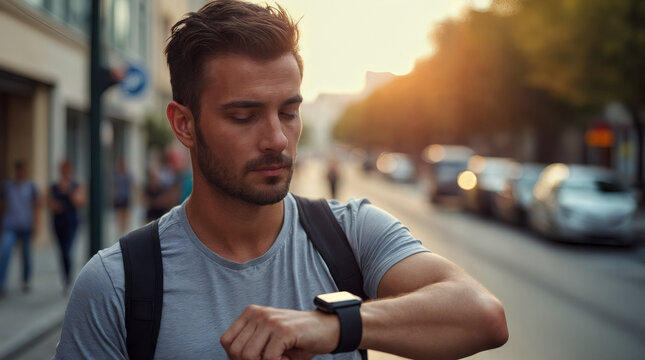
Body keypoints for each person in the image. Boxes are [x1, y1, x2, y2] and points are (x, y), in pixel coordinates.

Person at [55, 1, 508, 359]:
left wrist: (332, 327)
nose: (277, 138)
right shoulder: (118, 285)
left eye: (288, 112)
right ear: (184, 125)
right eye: (243, 115)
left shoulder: (348, 232)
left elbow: (484, 316)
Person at [0, 160, 39, 297]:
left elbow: (35, 206)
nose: (20, 173)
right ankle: (1, 284)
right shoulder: (8, 186)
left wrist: (36, 225)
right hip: (10, 225)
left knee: (26, 254)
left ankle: (25, 279)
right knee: (5, 251)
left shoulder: (31, 187)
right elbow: (3, 205)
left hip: (26, 225)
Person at [48, 160, 85, 291]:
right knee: (62, 251)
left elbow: (80, 201)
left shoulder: (75, 185)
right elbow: (49, 203)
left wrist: (70, 191)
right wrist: (55, 205)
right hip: (58, 223)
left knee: (67, 250)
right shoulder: (54, 186)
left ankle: (68, 278)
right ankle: (66, 277)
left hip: (71, 223)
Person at [113, 158, 133, 236]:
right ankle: (120, 230)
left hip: (125, 197)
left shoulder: (127, 176)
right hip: (119, 197)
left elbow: (131, 187)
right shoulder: (117, 176)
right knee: (119, 214)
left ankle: (124, 230)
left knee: (125, 214)